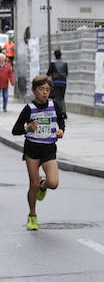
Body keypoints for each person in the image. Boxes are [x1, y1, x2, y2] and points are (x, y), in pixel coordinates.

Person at [11, 75, 65, 231]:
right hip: (32, 149)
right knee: (32, 184)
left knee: (53, 183)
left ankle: (44, 186)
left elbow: (61, 121)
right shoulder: (29, 108)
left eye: (47, 89)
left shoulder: (54, 105)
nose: (45, 92)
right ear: (34, 91)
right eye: (41, 89)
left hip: (49, 148)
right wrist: (28, 128)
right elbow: (15, 131)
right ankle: (32, 215)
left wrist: (61, 130)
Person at [47, 49, 69, 119]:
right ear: (61, 55)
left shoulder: (52, 63)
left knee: (57, 98)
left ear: (54, 55)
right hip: (63, 82)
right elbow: (66, 73)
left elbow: (48, 73)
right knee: (62, 98)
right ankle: (64, 112)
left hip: (55, 82)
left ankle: (60, 112)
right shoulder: (65, 63)